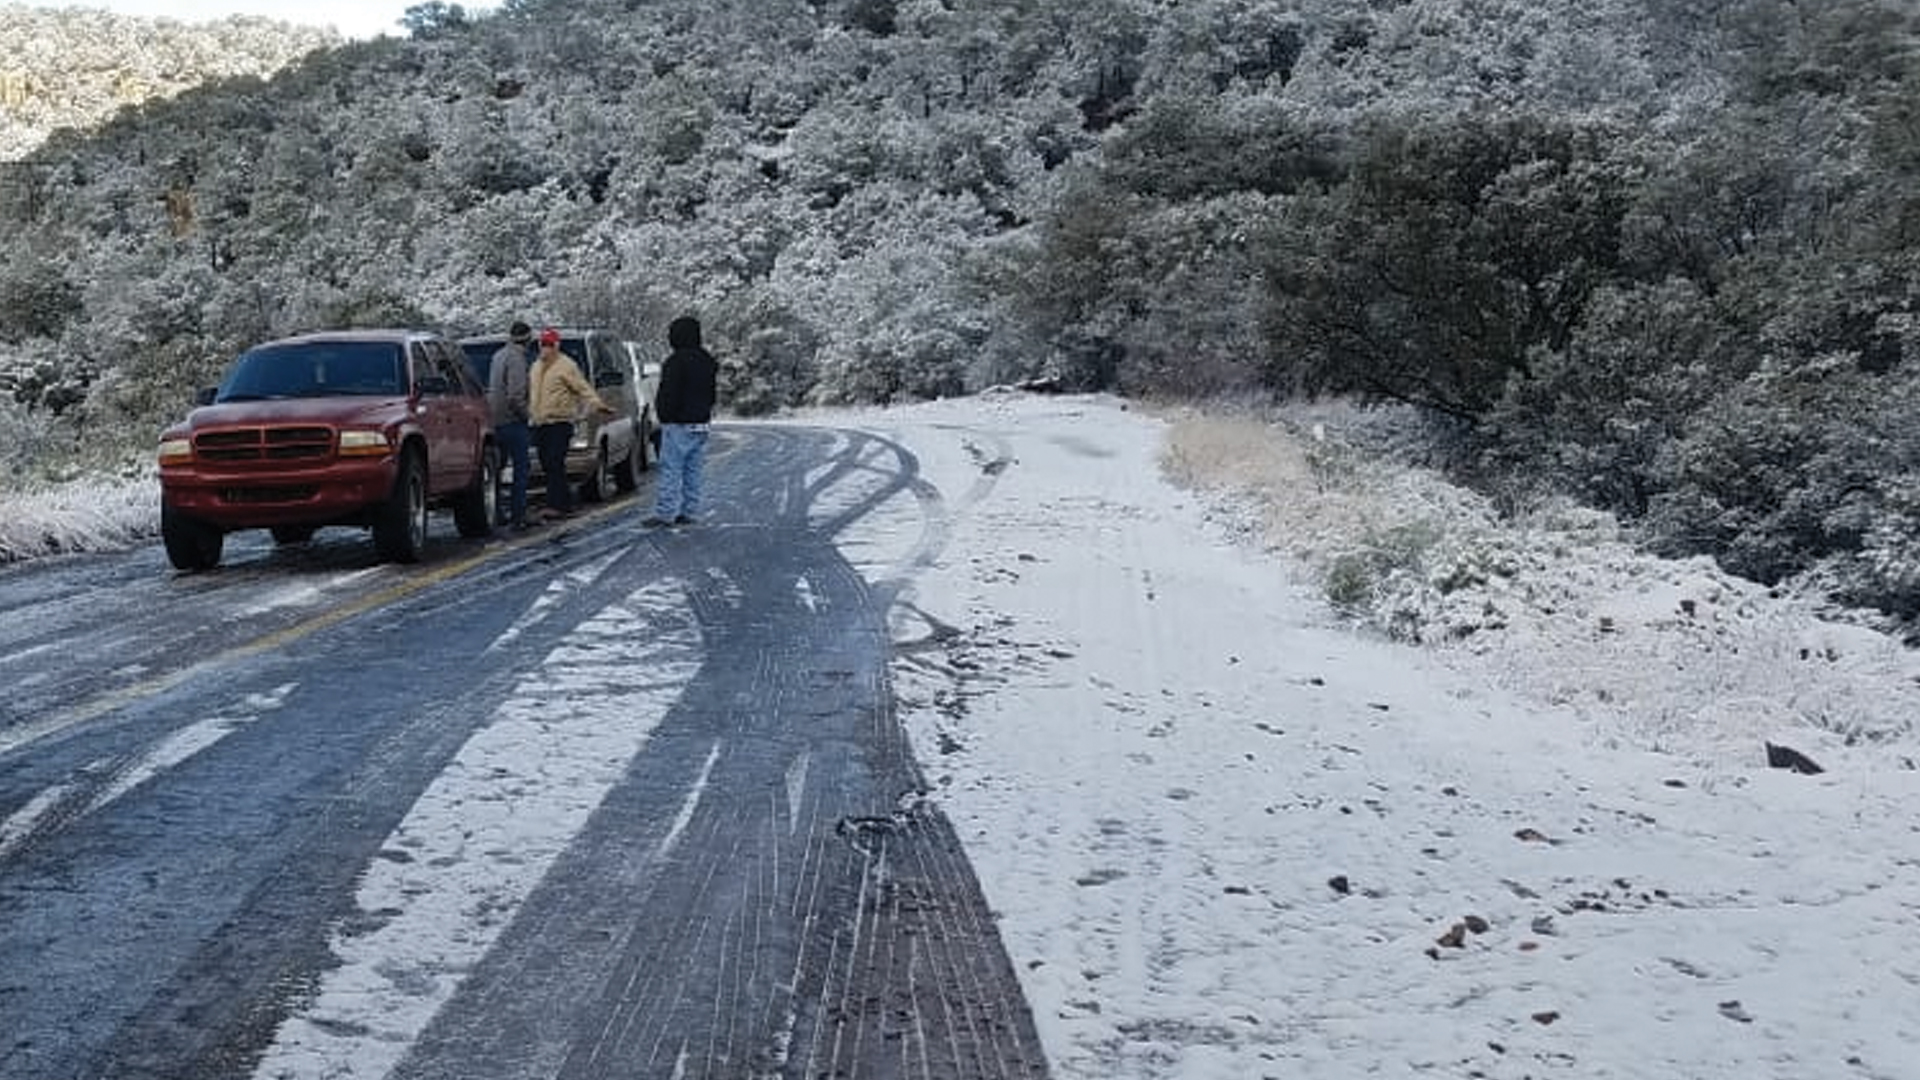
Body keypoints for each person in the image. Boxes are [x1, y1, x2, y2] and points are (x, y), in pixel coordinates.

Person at [528, 326, 613, 520]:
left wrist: (598, 404)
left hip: (560, 421)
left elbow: (583, 388)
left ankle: (557, 504)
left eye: (550, 344)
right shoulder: (535, 366)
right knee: (546, 463)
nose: (546, 348)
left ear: (557, 345)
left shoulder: (567, 366)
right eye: (544, 344)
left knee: (555, 461)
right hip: (540, 422)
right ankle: (562, 501)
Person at [643, 315, 719, 528]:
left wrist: (664, 416)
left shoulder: (675, 362)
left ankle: (665, 513)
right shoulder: (707, 361)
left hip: (678, 423)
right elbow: (711, 394)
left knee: (671, 468)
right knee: (693, 469)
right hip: (701, 422)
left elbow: (669, 394)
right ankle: (690, 511)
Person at [486, 321, 534, 529]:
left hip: (494, 420)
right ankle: (518, 514)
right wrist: (527, 415)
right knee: (521, 469)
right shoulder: (517, 359)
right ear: (527, 339)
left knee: (497, 470)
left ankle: (496, 511)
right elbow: (515, 395)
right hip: (513, 421)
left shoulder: (498, 356)